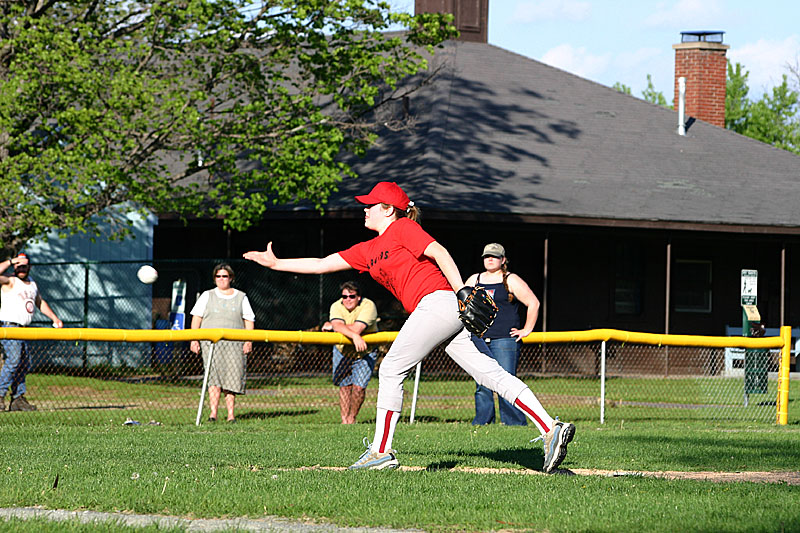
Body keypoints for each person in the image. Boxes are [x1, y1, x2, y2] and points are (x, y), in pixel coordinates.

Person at [244, 181, 575, 472]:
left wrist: (460, 290)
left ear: (388, 209)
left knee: (390, 370)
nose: (365, 210)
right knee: (489, 374)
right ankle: (551, 428)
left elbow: (439, 251)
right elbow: (321, 265)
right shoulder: (367, 249)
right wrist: (276, 263)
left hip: (439, 302)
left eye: (370, 205)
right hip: (440, 310)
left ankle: (381, 452)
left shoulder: (402, 228)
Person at [466, 243, 540, 426]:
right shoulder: (474, 279)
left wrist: (527, 329)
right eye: (486, 256)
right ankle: (482, 423)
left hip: (504, 340)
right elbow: (461, 304)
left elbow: (533, 303)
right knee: (482, 383)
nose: (490, 259)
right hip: (480, 339)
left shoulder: (511, 279)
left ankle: (514, 423)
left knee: (507, 382)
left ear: (503, 260)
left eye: (495, 256)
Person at [189, 263, 255, 423]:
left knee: (231, 378)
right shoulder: (207, 295)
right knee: (213, 377)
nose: (221, 279)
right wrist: (194, 338)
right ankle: (213, 414)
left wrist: (248, 340)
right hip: (211, 344)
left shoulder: (241, 297)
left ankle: (231, 415)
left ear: (231, 278)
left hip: (234, 344)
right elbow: (197, 317)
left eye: (224, 276)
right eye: (218, 276)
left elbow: (249, 319)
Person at [0, 253, 63, 412]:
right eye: (18, 266)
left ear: (29, 267)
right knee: (14, 360)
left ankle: (18, 399)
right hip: (10, 327)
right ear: (14, 267)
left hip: (24, 330)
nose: (21, 269)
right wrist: (11, 261)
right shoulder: (10, 280)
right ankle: (0, 395)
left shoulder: (32, 284)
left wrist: (55, 318)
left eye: (24, 265)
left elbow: (40, 303)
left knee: (23, 363)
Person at [321, 281, 379, 424]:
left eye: (351, 296)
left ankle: (352, 418)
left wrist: (337, 327)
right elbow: (349, 330)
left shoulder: (368, 306)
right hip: (343, 351)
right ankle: (344, 421)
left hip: (365, 351)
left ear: (359, 297)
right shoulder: (336, 306)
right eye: (344, 296)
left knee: (359, 388)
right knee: (345, 386)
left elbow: (357, 328)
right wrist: (351, 334)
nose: (347, 299)